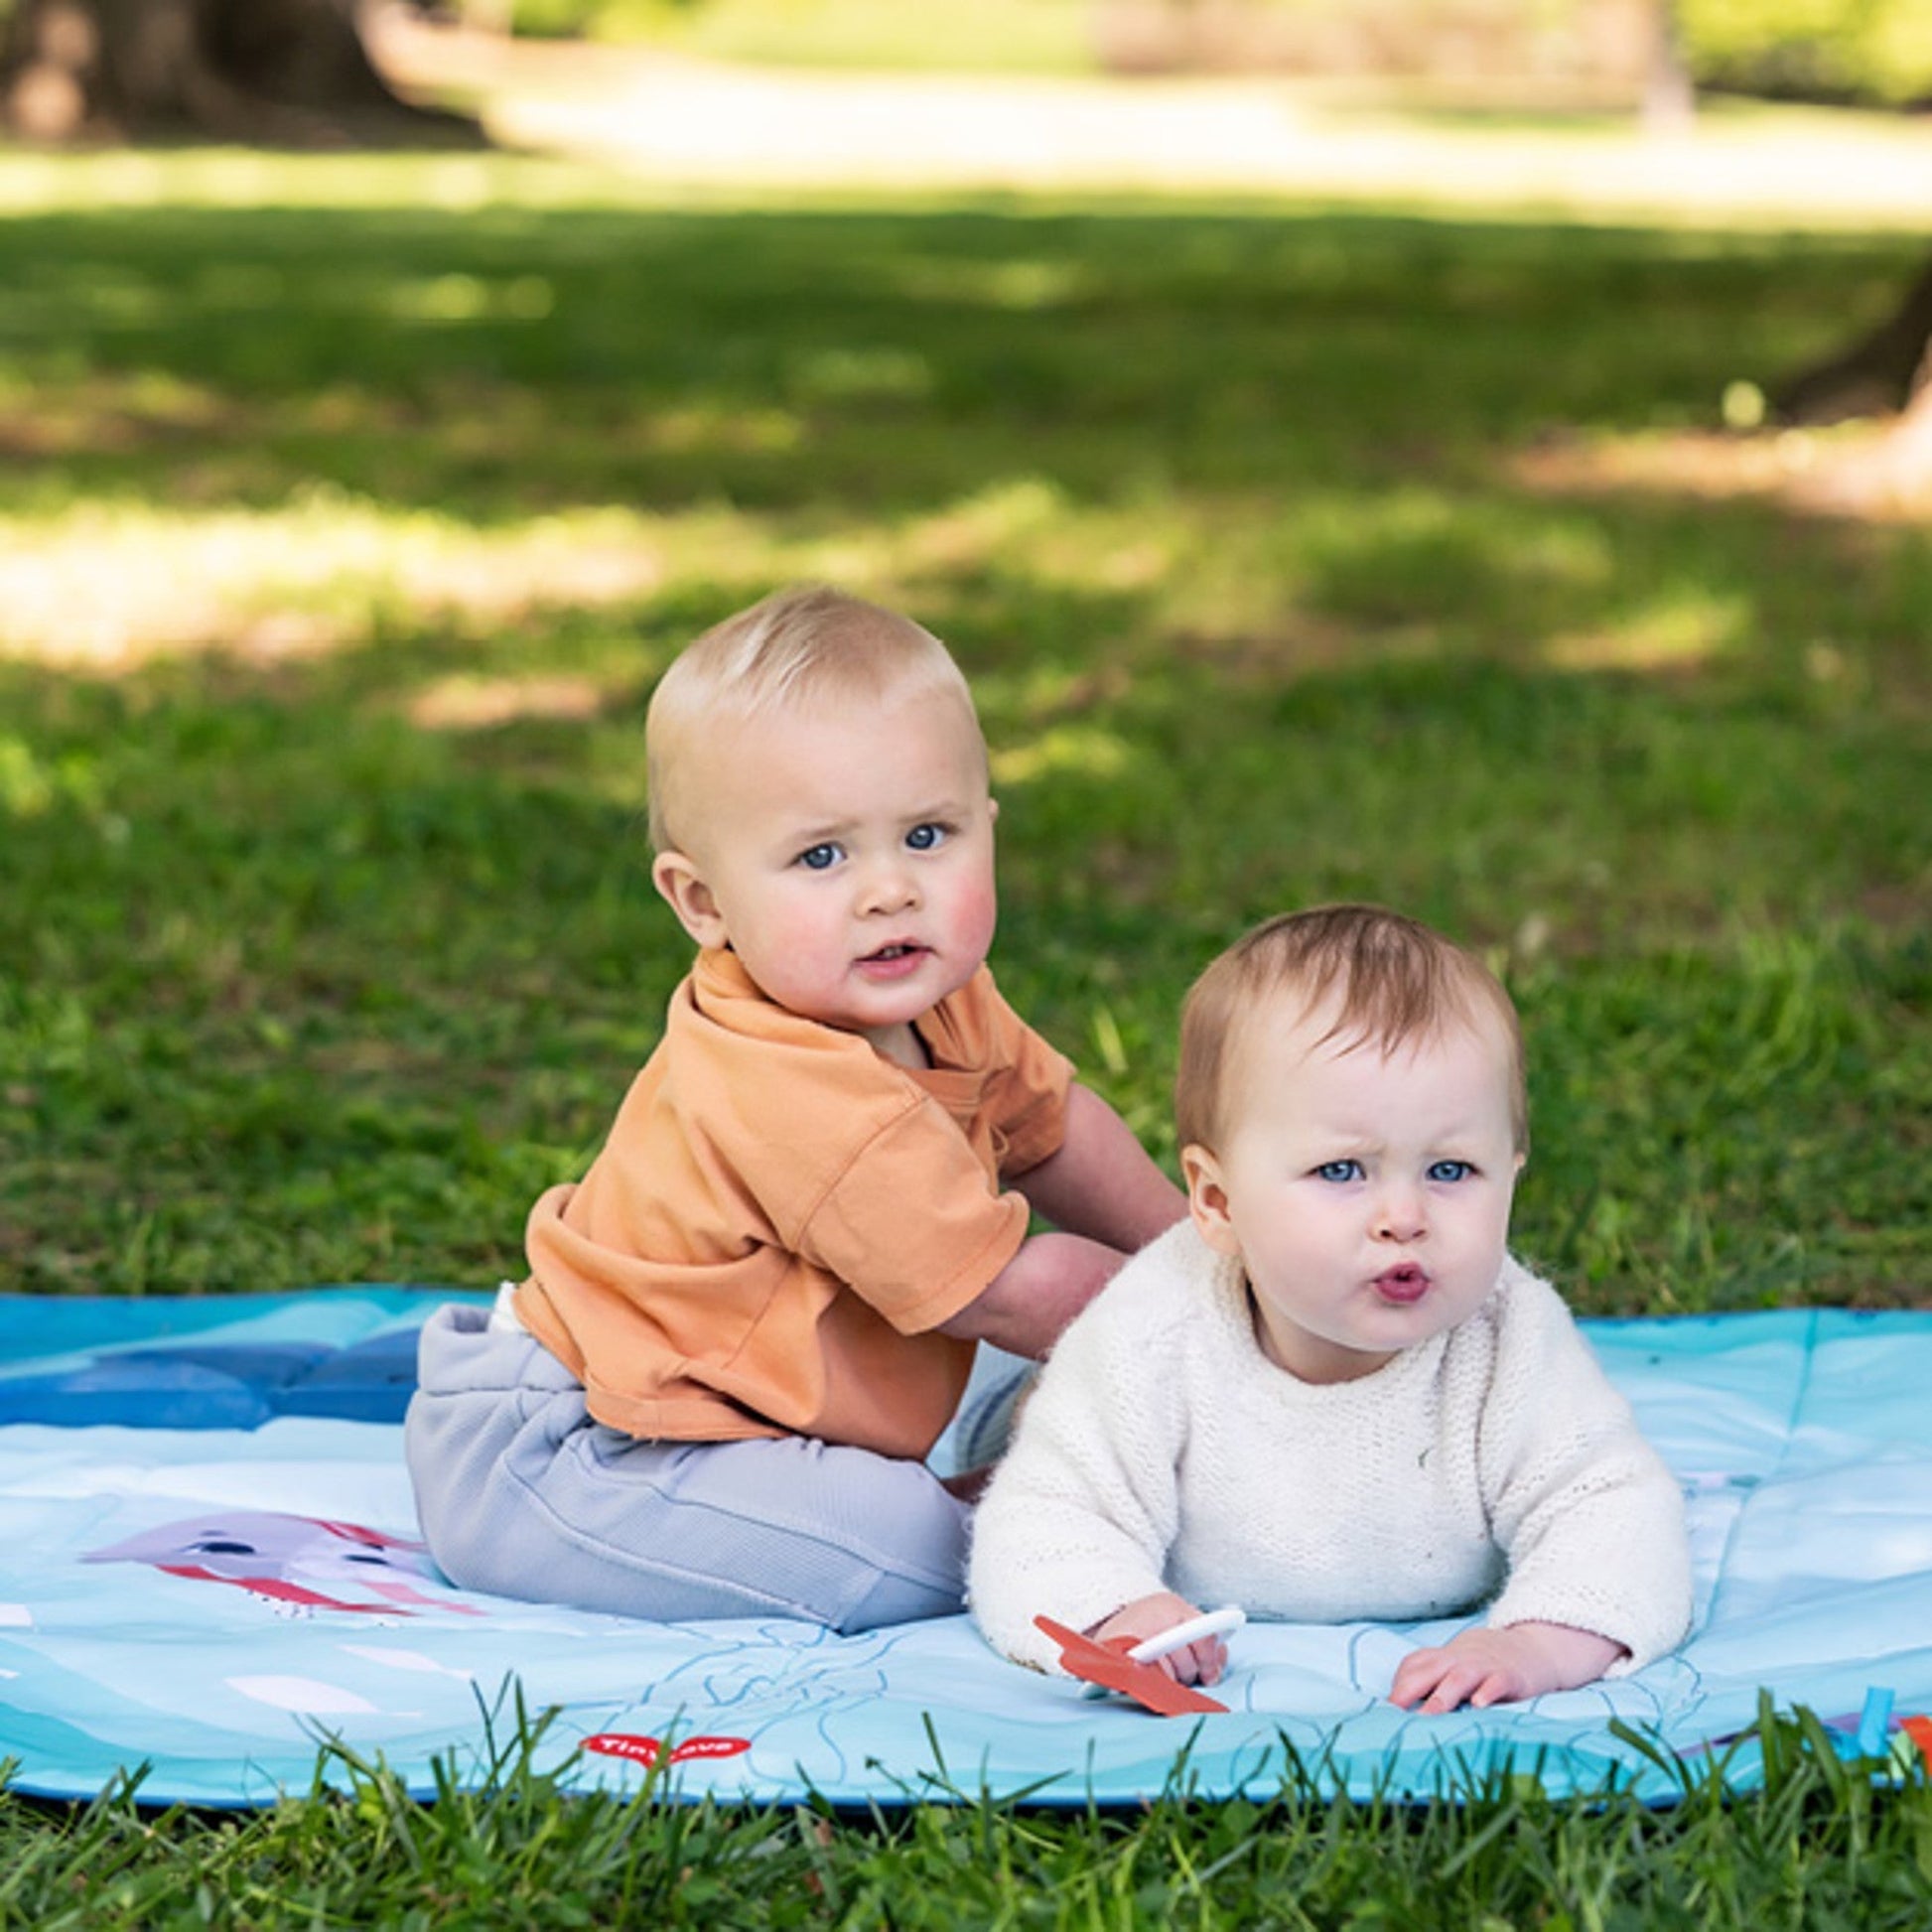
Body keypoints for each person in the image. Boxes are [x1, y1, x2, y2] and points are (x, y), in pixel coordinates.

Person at [405, 584, 1184, 1632]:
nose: (888, 890)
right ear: (703, 902)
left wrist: (1201, 1248)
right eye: (822, 855)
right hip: (583, 1454)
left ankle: (1039, 1456)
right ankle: (1033, 1509)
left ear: (986, 827)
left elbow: (1057, 1129)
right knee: (915, 1553)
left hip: (734, 1422)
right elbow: (1008, 1291)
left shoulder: (939, 992)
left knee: (1042, 1372)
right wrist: (1217, 1321)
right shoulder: (791, 1086)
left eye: (927, 834)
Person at [968, 904, 1692, 1713]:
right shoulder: (1153, 1332)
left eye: (1451, 1171)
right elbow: (1043, 1515)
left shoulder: (1508, 1337)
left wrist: (1538, 1644)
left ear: (1512, 1175)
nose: (1404, 1216)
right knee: (1025, 1435)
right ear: (1216, 1201)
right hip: (1094, 1451)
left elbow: (1615, 1507)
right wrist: (1113, 1611)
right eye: (1343, 1171)